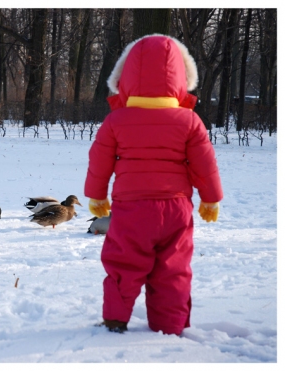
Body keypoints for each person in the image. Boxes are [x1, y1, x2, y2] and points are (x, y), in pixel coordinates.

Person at [84, 34, 223, 336]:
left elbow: (99, 161)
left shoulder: (117, 121)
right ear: (181, 78)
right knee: (173, 269)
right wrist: (210, 199)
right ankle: (169, 326)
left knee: (124, 265)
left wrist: (96, 196)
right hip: (176, 208)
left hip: (131, 209)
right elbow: (205, 164)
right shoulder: (189, 121)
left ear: (124, 78)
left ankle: (116, 320)